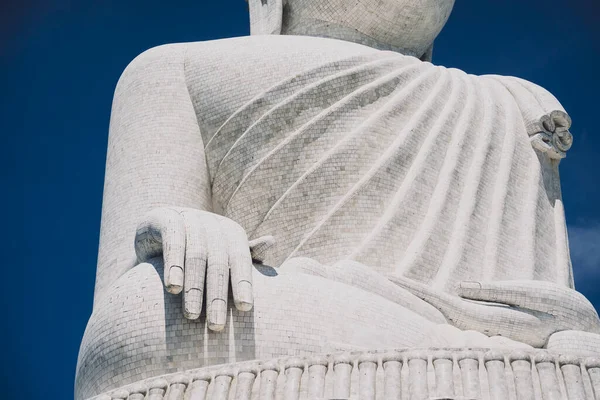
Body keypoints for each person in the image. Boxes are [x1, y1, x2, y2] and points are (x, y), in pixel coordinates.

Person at [75, 1, 599, 398]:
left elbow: (539, 306)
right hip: (260, 304)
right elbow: (111, 329)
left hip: (482, 340)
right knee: (144, 313)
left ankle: (481, 352)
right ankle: (482, 359)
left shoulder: (508, 106)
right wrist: (181, 228)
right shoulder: (175, 69)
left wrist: (566, 325)